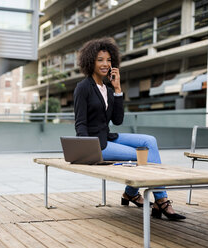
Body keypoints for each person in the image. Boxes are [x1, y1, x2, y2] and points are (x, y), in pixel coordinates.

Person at [74, 37, 185, 220]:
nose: (105, 64)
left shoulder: (108, 90)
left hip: (108, 135)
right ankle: (161, 200)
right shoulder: (83, 88)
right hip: (96, 144)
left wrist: (117, 89)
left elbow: (117, 120)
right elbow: (80, 123)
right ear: (90, 61)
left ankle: (134, 194)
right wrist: (88, 151)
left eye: (108, 60)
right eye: (100, 59)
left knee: (149, 141)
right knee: (144, 156)